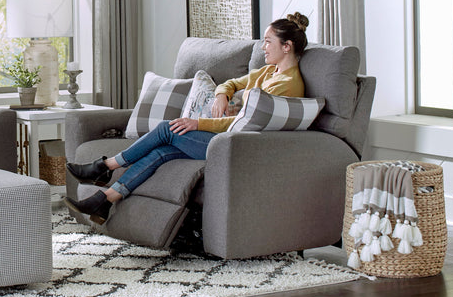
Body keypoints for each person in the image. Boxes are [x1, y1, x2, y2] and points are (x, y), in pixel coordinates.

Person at [64, 13, 310, 224]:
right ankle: (106, 200)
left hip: (238, 145)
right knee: (161, 152)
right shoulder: (268, 71)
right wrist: (222, 96)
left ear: (286, 46)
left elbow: (243, 121)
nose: (263, 47)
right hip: (223, 136)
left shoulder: (286, 85)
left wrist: (197, 122)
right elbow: (232, 83)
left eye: (268, 42)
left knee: (167, 129)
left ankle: (106, 167)